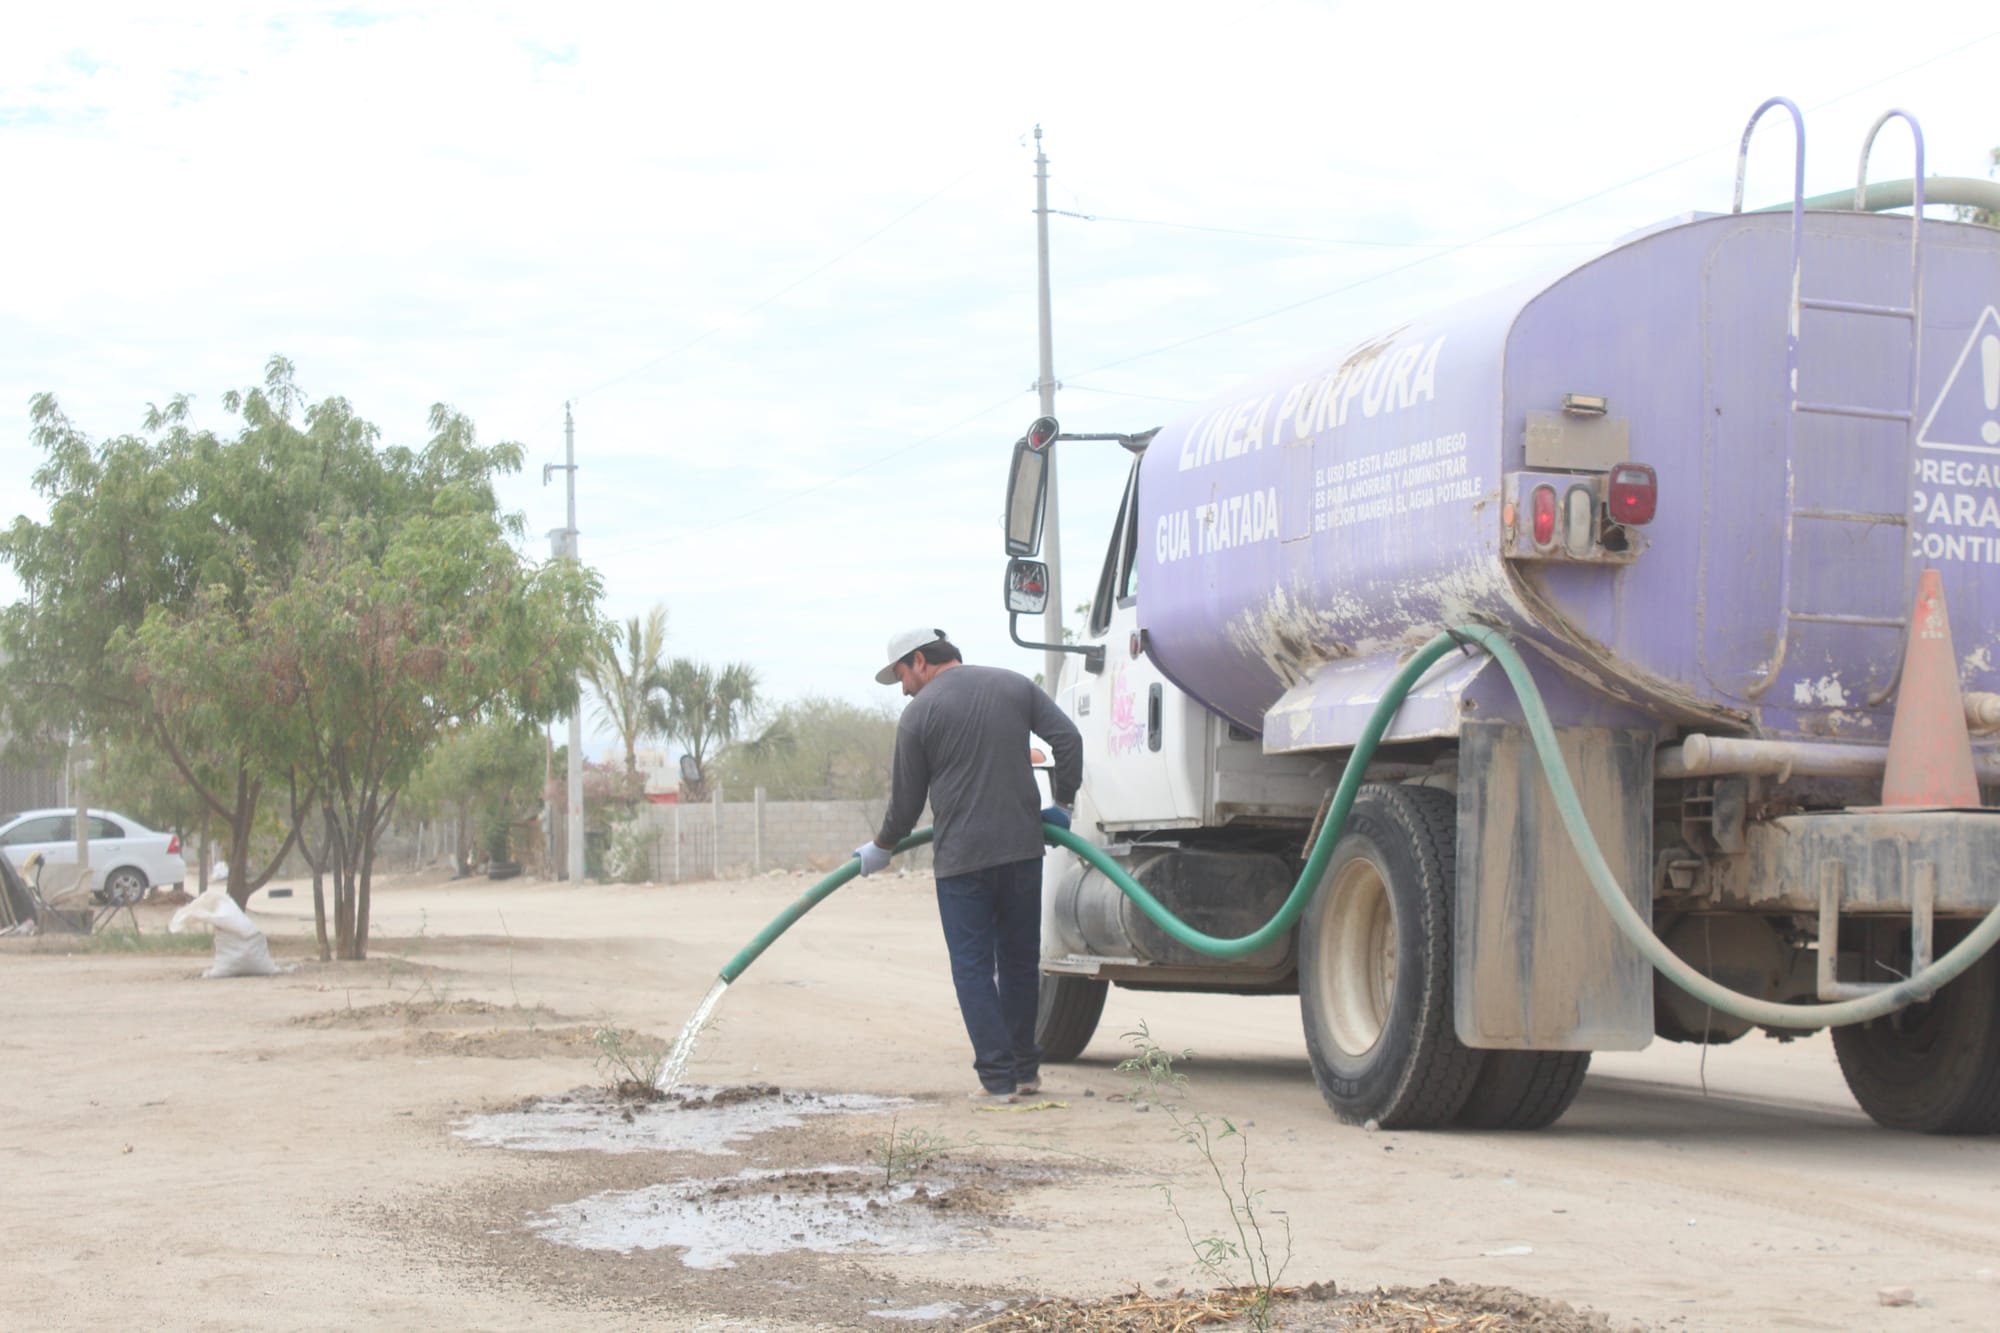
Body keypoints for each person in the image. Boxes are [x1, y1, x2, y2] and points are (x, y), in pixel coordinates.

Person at [854, 627, 1083, 1104]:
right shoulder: (1014, 685)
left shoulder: (919, 716)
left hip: (962, 864)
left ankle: (997, 1080)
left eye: (901, 675)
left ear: (920, 660)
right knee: (1020, 963)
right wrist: (1063, 803)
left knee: (973, 969)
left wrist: (881, 845)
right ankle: (1024, 1072)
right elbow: (1067, 738)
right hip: (1022, 852)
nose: (903, 689)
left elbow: (906, 804)